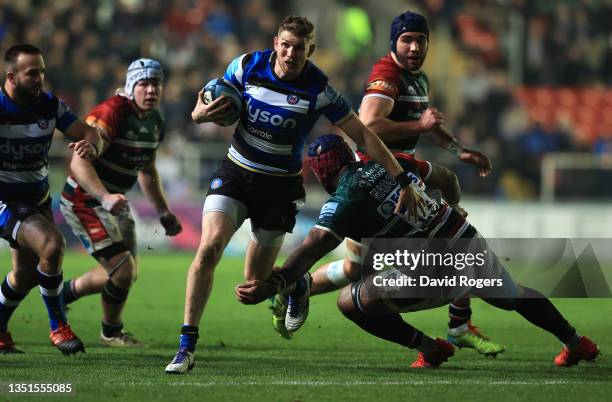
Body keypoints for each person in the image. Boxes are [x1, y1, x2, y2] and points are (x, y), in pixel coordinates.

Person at [165, 16, 421, 374]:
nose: (290, 53)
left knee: (256, 284)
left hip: (279, 188)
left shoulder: (319, 89)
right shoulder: (245, 66)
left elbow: (363, 136)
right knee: (208, 248)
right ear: (275, 43)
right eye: (285, 45)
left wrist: (402, 178)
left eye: (299, 47)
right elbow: (209, 103)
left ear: (310, 49)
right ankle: (186, 346)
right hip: (235, 172)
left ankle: (298, 287)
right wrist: (197, 114)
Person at [236, 134, 600, 368]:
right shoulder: (389, 162)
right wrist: (454, 207)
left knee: (350, 302)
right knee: (514, 294)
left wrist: (277, 282)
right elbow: (446, 177)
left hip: (432, 268)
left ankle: (431, 348)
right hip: (464, 238)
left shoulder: (343, 200)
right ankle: (576, 341)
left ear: (318, 175)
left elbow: (313, 245)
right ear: (350, 154)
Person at [288, 10, 503, 357]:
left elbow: (424, 122)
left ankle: (298, 286)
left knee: (358, 266)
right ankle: (458, 324)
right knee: (452, 232)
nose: (415, 47)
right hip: (382, 178)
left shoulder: (416, 78)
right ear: (393, 42)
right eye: (407, 40)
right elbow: (369, 124)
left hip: (402, 173)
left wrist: (458, 149)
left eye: (421, 40)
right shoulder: (387, 76)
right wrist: (418, 130)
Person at [59, 59, 182, 347]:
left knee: (125, 275)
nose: (151, 90)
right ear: (130, 86)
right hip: (86, 200)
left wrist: (164, 211)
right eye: (144, 84)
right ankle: (111, 333)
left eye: (156, 84)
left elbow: (147, 170)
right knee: (122, 271)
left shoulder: (155, 122)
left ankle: (62, 295)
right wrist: (103, 195)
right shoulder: (111, 111)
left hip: (115, 203)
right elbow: (79, 162)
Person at [0, 44, 103, 355]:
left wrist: (90, 147)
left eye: (42, 71)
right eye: (32, 73)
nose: (40, 78)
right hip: (5, 200)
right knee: (53, 245)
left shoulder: (48, 105)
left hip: (38, 198)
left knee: (26, 275)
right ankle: (58, 326)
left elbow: (89, 132)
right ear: (11, 77)